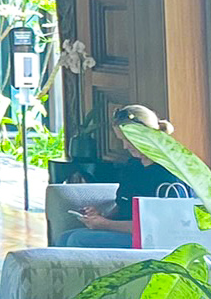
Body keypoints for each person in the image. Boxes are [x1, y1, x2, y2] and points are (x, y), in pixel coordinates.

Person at [58, 105, 180, 247]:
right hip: (127, 231)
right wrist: (101, 216)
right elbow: (124, 204)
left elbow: (159, 226)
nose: (125, 146)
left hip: (151, 239)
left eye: (128, 139)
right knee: (64, 238)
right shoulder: (134, 164)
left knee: (76, 240)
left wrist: (106, 224)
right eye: (122, 140)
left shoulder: (168, 174)